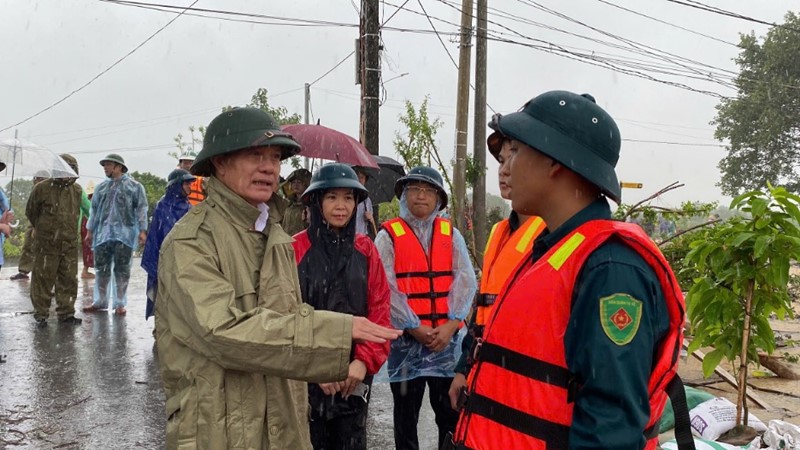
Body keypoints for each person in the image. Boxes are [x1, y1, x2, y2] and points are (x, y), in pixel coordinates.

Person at [154, 107, 401, 450]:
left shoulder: (275, 236)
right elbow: (224, 333)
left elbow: (286, 316)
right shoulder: (192, 242)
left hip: (282, 423)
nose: (269, 167)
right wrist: (338, 333)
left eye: (274, 157)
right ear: (219, 163)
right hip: (220, 430)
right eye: (255, 155)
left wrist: (355, 352)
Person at [451, 91, 688, 449]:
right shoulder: (550, 249)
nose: (506, 166)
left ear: (554, 161)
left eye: (515, 151)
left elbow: (608, 431)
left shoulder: (611, 269)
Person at [374, 166, 477, 450]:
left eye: (428, 190)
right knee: (406, 419)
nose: (421, 196)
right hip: (406, 344)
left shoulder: (451, 235)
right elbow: (385, 287)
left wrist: (451, 325)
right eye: (414, 190)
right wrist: (414, 327)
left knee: (449, 416)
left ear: (439, 199)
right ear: (404, 196)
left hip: (446, 343)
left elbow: (465, 282)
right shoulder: (388, 236)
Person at [292, 163, 392, 450]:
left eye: (349, 198)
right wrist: (314, 366)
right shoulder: (293, 249)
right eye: (332, 197)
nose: (341, 206)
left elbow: (380, 310)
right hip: (306, 382)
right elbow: (282, 316)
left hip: (355, 379)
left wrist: (363, 362)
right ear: (316, 200)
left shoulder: (366, 248)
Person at [447, 136, 547, 411]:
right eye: (501, 161)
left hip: (523, 385)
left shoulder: (552, 237)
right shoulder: (499, 232)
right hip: (485, 370)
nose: (503, 170)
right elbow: (482, 310)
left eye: (514, 158)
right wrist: (463, 369)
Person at [83, 153, 148, 316]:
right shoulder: (101, 188)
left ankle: (120, 303)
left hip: (124, 236)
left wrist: (142, 230)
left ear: (119, 167)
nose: (105, 168)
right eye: (104, 165)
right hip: (102, 236)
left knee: (122, 270)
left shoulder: (134, 187)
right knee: (101, 270)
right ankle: (100, 301)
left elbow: (141, 209)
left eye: (108, 165)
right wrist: (90, 231)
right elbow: (94, 211)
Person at [25, 154, 85, 327]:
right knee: (42, 279)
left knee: (68, 279)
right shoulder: (42, 188)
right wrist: (43, 228)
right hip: (46, 244)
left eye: (72, 169)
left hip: (69, 244)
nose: (68, 173)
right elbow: (31, 211)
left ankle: (66, 313)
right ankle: (41, 314)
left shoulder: (77, 190)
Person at [141, 168, 195, 321]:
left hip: (183, 258)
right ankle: (162, 325)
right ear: (177, 185)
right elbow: (156, 236)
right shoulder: (162, 206)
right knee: (163, 293)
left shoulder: (189, 207)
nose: (189, 187)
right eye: (186, 184)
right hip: (164, 258)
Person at [11, 171, 50, 281]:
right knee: (28, 244)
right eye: (35, 178)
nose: (36, 180)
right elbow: (30, 209)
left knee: (46, 248)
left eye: (39, 178)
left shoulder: (48, 192)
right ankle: (24, 270)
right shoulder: (35, 191)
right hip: (33, 222)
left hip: (45, 223)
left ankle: (44, 272)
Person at [282, 168, 311, 236]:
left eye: (299, 182)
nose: (296, 185)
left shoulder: (311, 205)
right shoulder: (288, 204)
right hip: (286, 242)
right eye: (293, 182)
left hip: (302, 242)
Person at [352, 167, 376, 238]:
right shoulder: (348, 197)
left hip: (362, 238)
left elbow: (372, 221)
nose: (359, 180)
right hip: (349, 237)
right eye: (357, 177)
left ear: (365, 180)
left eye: (362, 178)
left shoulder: (367, 200)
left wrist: (370, 218)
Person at [80, 181, 96, 279]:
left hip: (85, 226)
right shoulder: (89, 203)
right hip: (87, 226)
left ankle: (86, 270)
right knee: (89, 248)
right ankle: (85, 270)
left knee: (89, 248)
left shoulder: (90, 202)